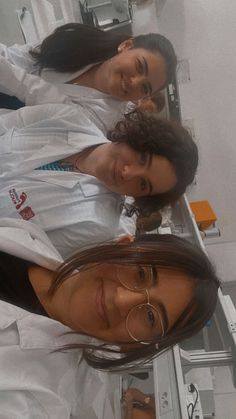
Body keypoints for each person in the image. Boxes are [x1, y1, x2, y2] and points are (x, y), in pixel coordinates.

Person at [0, 232, 220, 418]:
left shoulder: (33, 402)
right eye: (141, 273)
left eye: (150, 317)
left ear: (137, 345)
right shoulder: (29, 237)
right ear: (122, 244)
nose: (121, 300)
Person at [0, 106, 198, 258]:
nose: (128, 173)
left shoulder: (97, 226)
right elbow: (8, 122)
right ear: (139, 136)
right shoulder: (72, 119)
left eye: (143, 184)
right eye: (142, 158)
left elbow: (18, 251)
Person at [0, 24, 177, 131]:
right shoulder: (82, 41)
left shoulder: (106, 121)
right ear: (126, 46)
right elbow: (20, 56)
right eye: (140, 66)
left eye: (145, 88)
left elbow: (33, 91)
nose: (134, 82)